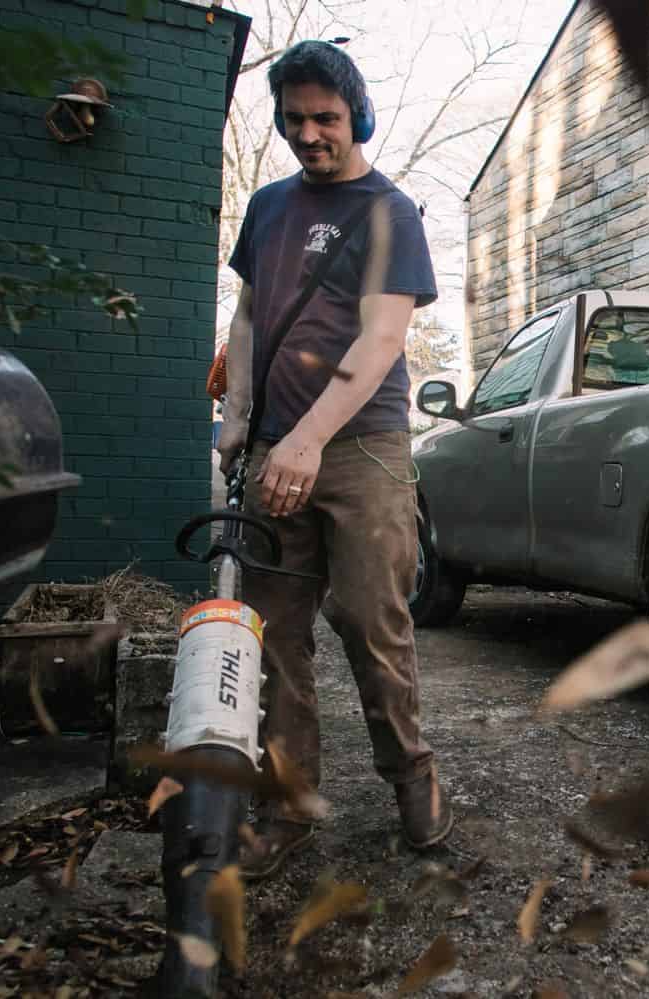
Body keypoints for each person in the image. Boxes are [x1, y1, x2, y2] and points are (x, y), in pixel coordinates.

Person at [215, 40, 451, 879]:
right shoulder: (267, 205)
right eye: (294, 119)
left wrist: (307, 440)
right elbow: (246, 316)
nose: (309, 133)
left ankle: (411, 775)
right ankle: (287, 806)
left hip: (361, 450)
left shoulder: (391, 214)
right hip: (276, 447)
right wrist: (240, 411)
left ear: (358, 116)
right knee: (276, 636)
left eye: (326, 117)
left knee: (369, 623)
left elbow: (385, 336)